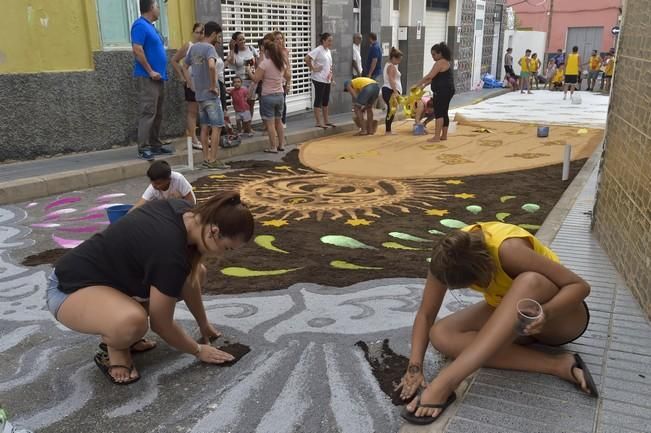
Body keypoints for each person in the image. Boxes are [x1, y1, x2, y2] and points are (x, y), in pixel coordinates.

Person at [398, 222, 598, 425]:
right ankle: (558, 365)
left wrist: (546, 312)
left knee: (530, 280)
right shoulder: (447, 256)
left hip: (562, 319)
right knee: (441, 334)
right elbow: (426, 314)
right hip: (517, 317)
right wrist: (415, 367)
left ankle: (446, 383)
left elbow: (580, 286)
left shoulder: (508, 250)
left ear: (486, 267)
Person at [47, 190, 255, 384]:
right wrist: (198, 350)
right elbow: (161, 325)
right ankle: (116, 349)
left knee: (197, 272)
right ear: (214, 231)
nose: (222, 254)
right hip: (68, 290)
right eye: (226, 248)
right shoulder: (169, 252)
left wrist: (203, 324)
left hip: (108, 284)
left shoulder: (184, 211)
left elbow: (189, 280)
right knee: (133, 323)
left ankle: (122, 328)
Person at [131, 0, 173, 161]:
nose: (158, 9)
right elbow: (137, 49)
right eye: (156, 6)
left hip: (159, 76)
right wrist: (150, 71)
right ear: (150, 8)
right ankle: (143, 147)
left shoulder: (151, 27)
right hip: (148, 76)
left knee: (158, 112)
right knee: (148, 111)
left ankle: (155, 144)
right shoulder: (140, 25)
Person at [184, 21, 229, 169]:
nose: (219, 38)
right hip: (210, 95)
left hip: (199, 95)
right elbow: (211, 66)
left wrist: (191, 84)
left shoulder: (194, 47)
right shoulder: (209, 48)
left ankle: (205, 158)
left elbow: (184, 66)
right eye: (219, 35)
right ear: (214, 34)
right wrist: (212, 86)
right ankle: (212, 159)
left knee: (204, 126)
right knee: (217, 126)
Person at [253, 38, 291, 153]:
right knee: (279, 122)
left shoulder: (265, 63)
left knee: (270, 123)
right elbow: (288, 76)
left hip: (267, 96)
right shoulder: (281, 63)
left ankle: (273, 147)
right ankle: (281, 145)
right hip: (279, 95)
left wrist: (249, 72)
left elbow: (256, 79)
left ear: (268, 52)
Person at [412, 42, 455, 142]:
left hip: (443, 91)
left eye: (434, 54)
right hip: (447, 90)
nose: (433, 57)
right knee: (444, 112)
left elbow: (430, 76)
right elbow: (434, 78)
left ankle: (436, 137)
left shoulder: (440, 62)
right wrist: (424, 85)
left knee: (440, 113)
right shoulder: (445, 62)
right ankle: (443, 136)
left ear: (440, 53)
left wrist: (417, 84)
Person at [171, 23, 204, 150]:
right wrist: (182, 76)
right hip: (191, 83)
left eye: (202, 32)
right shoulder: (188, 46)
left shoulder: (205, 46)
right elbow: (174, 60)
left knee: (203, 110)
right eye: (197, 32)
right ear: (193, 33)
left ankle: (202, 136)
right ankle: (193, 138)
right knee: (193, 111)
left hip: (203, 83)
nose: (199, 35)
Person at [305, 33, 335, 129]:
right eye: (329, 40)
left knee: (325, 100)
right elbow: (307, 58)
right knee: (319, 99)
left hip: (327, 79)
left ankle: (326, 120)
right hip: (318, 78)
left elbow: (329, 66)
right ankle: (318, 122)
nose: (331, 42)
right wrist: (313, 68)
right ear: (323, 41)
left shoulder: (328, 51)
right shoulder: (318, 49)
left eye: (331, 40)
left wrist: (332, 77)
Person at [227, 32, 258, 119]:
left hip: (252, 81)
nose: (243, 41)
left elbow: (257, 63)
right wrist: (231, 49)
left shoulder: (251, 49)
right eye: (240, 40)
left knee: (251, 103)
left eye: (243, 39)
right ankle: (243, 125)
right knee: (243, 104)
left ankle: (249, 126)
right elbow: (232, 62)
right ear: (235, 41)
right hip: (241, 83)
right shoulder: (234, 53)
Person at [381, 47, 404, 135]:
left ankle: (388, 130)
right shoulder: (391, 66)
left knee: (392, 110)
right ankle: (388, 130)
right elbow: (391, 79)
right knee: (391, 110)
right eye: (399, 60)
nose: (399, 62)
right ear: (394, 58)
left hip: (388, 90)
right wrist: (395, 92)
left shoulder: (389, 65)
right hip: (389, 90)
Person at [273, 31, 291, 128]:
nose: (279, 41)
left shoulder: (284, 51)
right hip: (273, 81)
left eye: (281, 38)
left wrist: (288, 83)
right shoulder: (271, 52)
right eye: (277, 39)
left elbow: (288, 67)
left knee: (282, 102)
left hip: (282, 81)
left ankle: (282, 122)